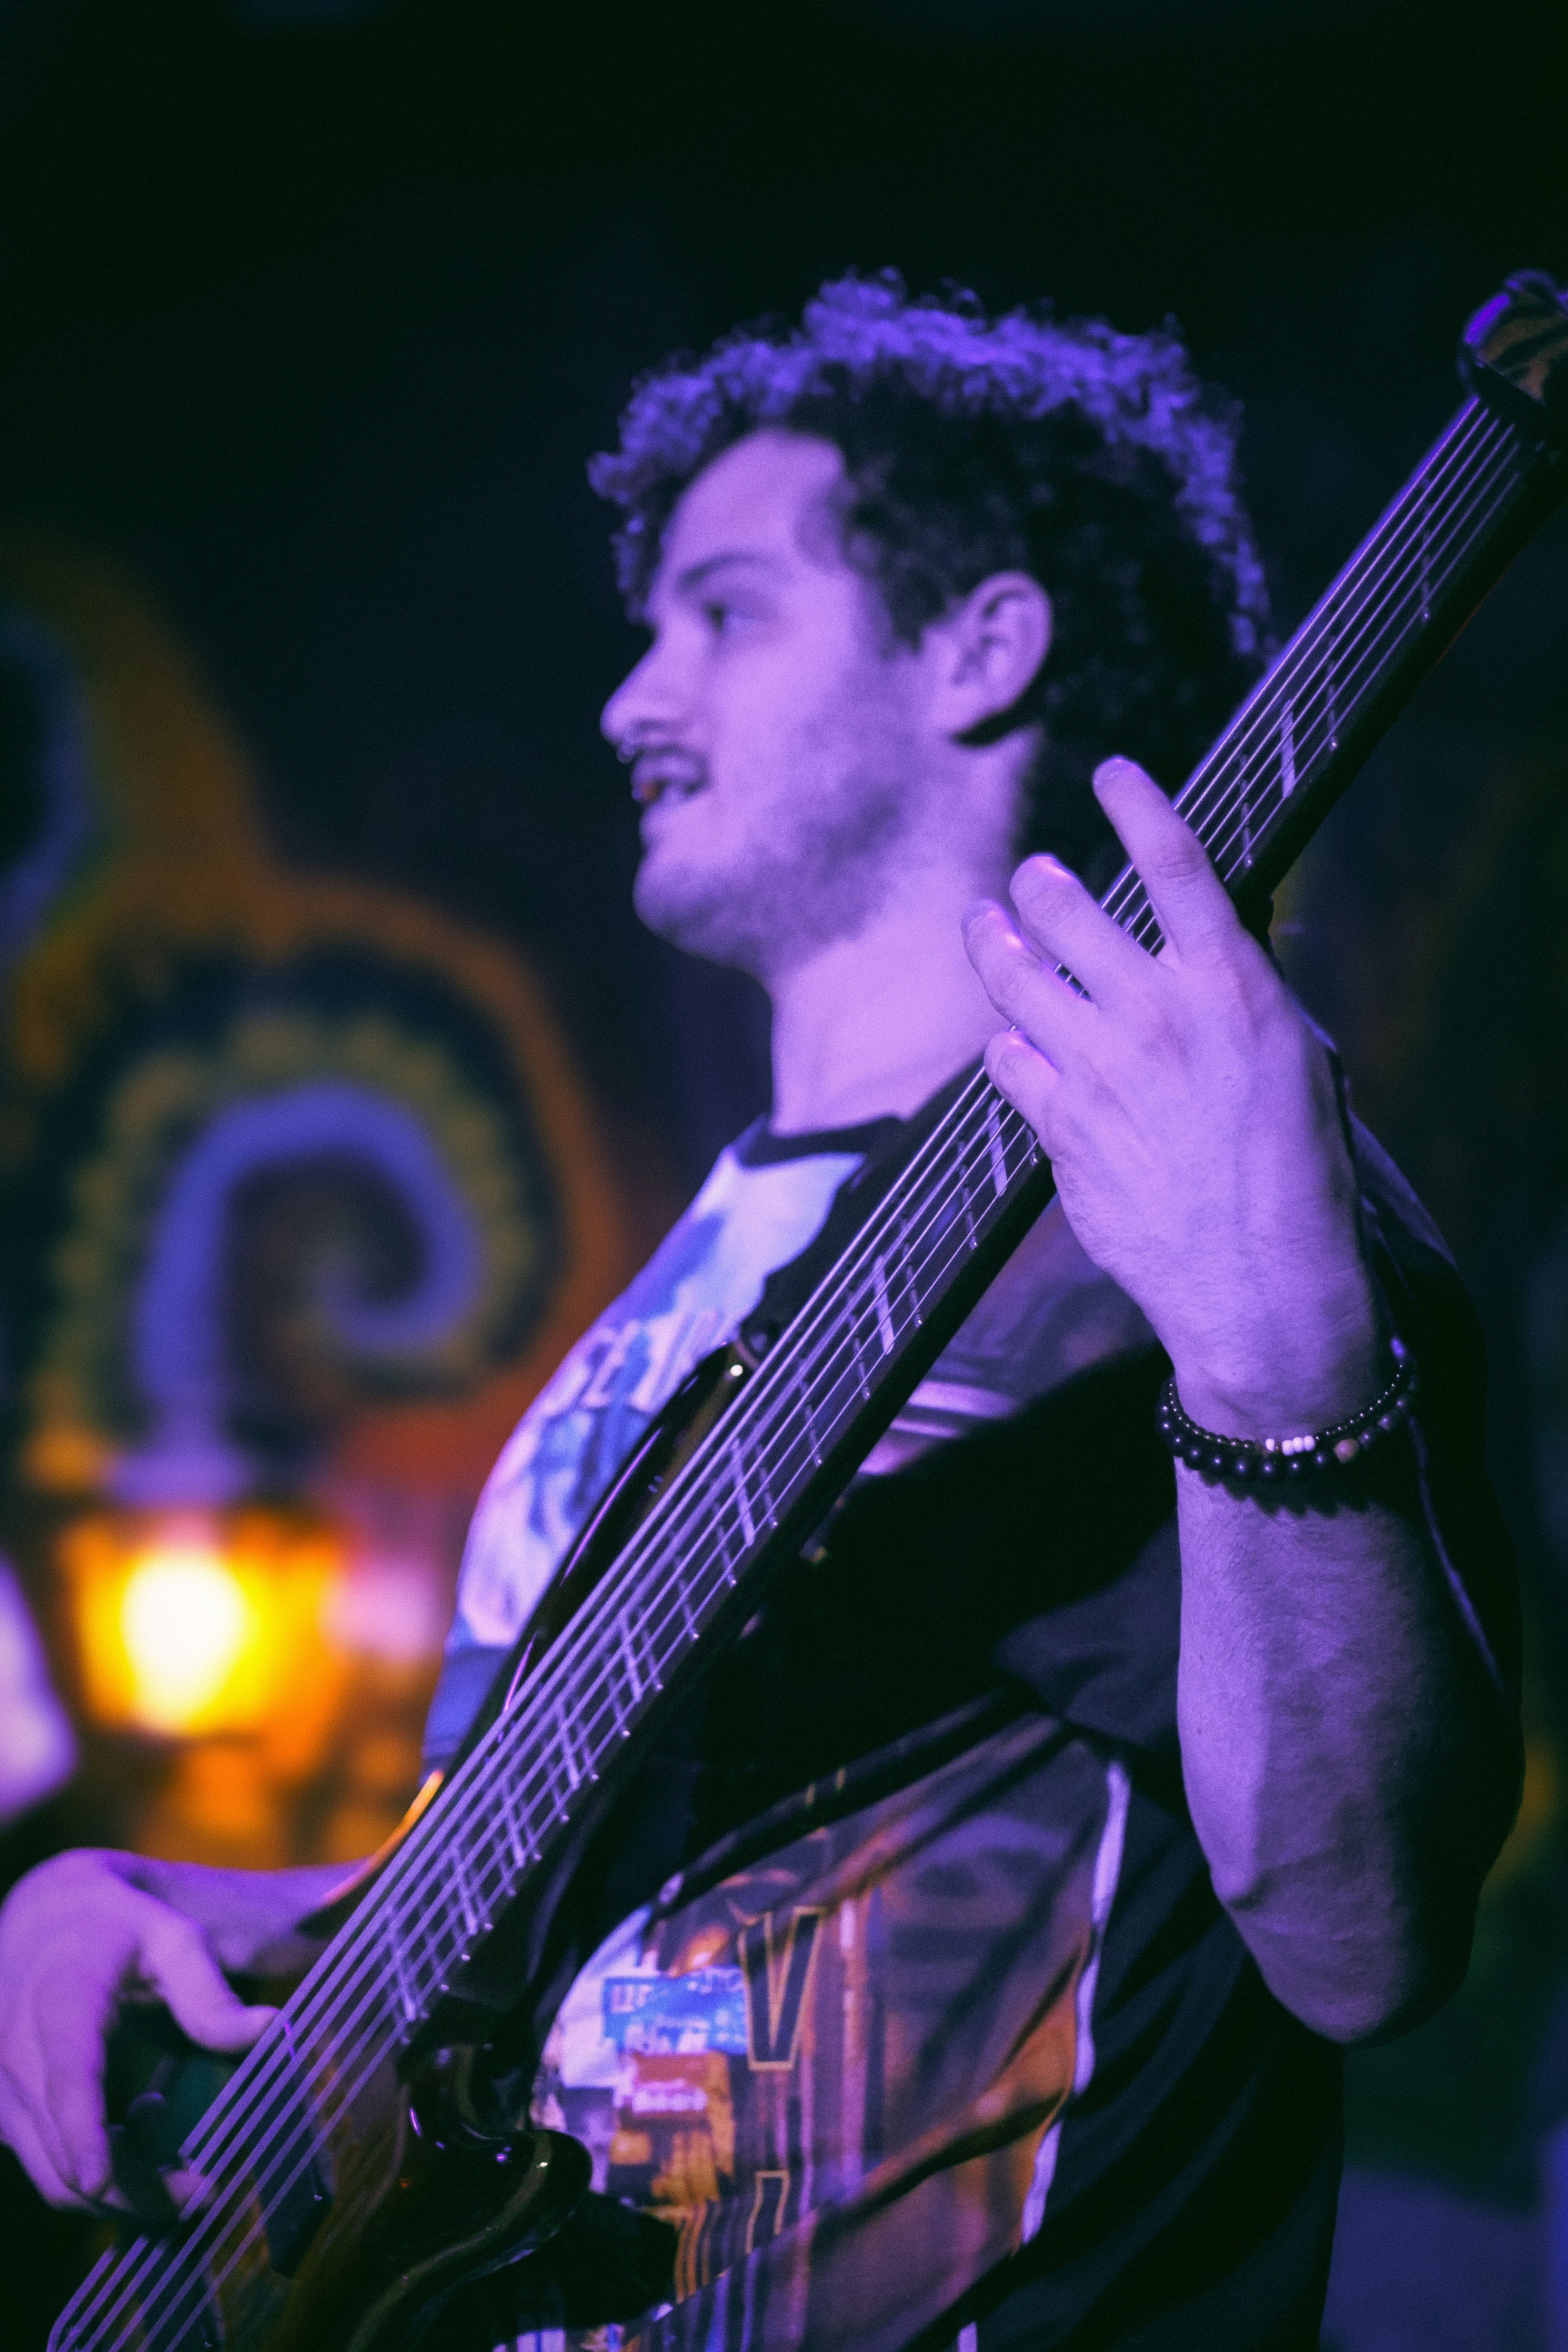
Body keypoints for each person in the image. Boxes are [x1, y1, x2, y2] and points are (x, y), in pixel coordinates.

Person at [0, 276, 1523, 2349]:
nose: (633, 698)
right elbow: (550, 1895)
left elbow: (1362, 1935)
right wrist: (164, 1907)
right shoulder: (696, 1278)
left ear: (981, 649)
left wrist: (1280, 1357)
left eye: (724, 613)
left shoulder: (1181, 1197)